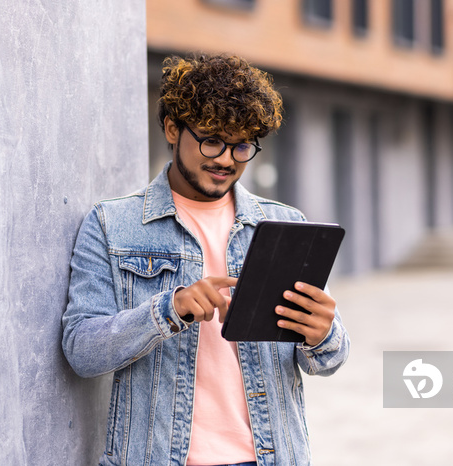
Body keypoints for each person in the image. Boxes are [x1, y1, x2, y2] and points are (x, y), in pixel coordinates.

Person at [62, 53, 349, 466]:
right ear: (172, 129)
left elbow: (327, 362)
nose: (227, 159)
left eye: (242, 145)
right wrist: (168, 309)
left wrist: (323, 334)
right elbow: (81, 350)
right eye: (212, 139)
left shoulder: (285, 223)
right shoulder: (111, 224)